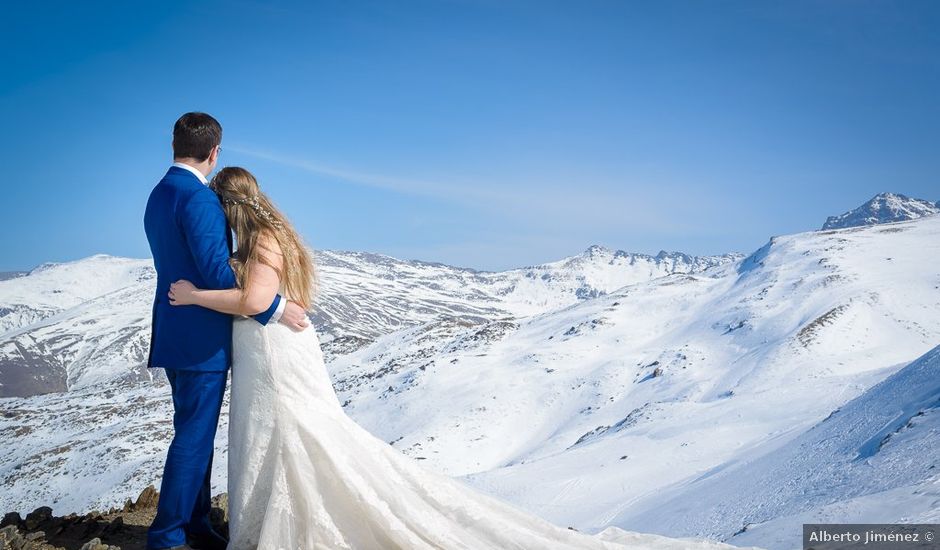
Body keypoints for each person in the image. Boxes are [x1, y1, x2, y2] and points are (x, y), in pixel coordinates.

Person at [166, 167, 736, 550]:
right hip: (273, 347)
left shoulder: (261, 237)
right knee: (286, 432)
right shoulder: (272, 233)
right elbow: (279, 296)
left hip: (274, 353)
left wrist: (193, 295)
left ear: (228, 203)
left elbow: (258, 299)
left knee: (295, 433)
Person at [143, 113, 310, 550]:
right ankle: (168, 536)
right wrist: (272, 303)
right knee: (194, 439)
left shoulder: (159, 194)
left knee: (192, 433)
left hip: (176, 331)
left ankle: (195, 523)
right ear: (214, 152)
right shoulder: (198, 200)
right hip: (201, 339)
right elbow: (217, 273)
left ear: (174, 145)